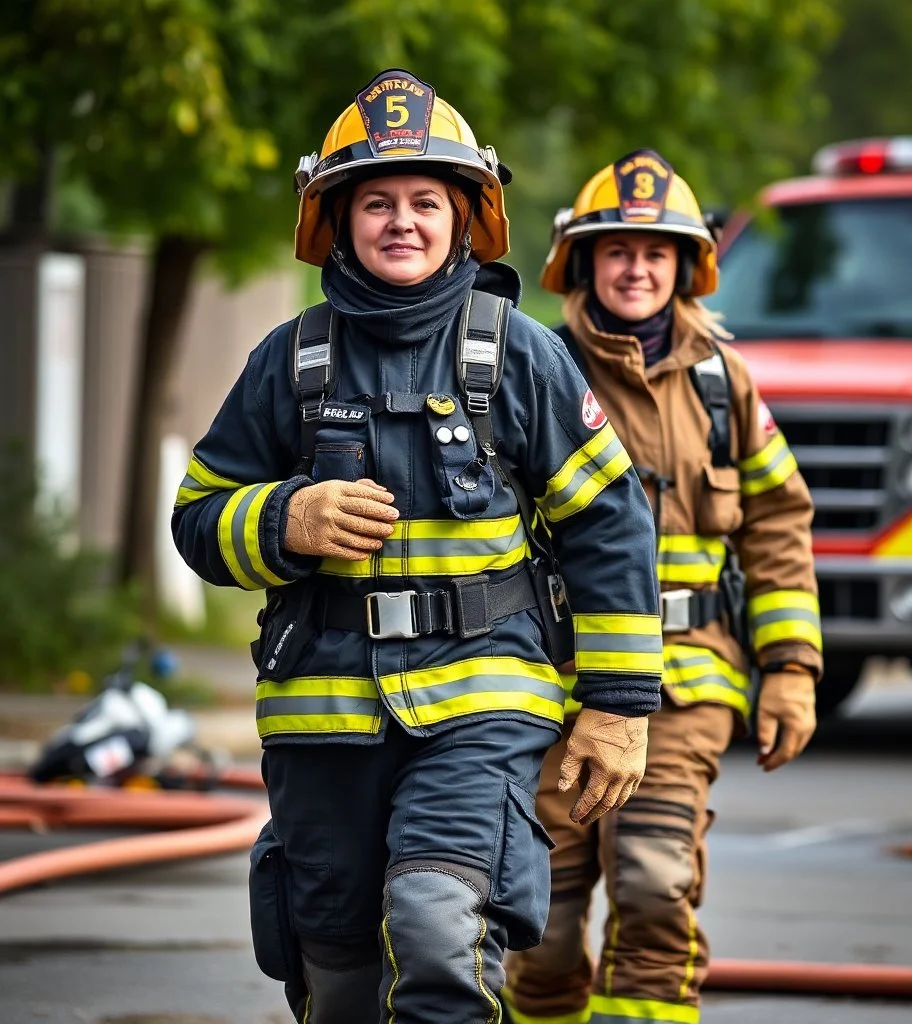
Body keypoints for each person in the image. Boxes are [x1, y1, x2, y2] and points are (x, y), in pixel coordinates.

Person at [171, 73, 665, 1024]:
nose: (403, 221)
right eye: (379, 201)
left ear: (466, 218)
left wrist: (616, 708)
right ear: (339, 219)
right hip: (325, 722)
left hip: (483, 709)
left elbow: (610, 524)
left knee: (439, 926)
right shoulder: (289, 359)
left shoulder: (517, 353)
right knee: (339, 971)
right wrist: (284, 521)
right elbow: (197, 517)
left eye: (426, 202)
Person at [503, 149, 823, 1024]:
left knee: (651, 883)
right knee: (544, 916)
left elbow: (778, 522)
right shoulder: (535, 369)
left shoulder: (723, 382)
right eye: (618, 250)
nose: (637, 267)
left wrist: (790, 666)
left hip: (686, 680)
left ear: (687, 265)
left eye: (657, 251)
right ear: (583, 262)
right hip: (552, 687)